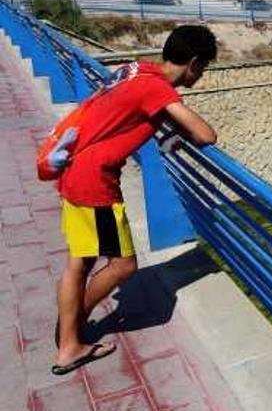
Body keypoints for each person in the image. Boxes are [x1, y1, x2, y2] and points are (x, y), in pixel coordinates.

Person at [50, 25, 219, 375]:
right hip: (96, 185)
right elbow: (205, 135)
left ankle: (67, 333)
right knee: (123, 266)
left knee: (79, 263)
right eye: (203, 69)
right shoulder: (156, 88)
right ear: (193, 62)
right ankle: (71, 333)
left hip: (74, 168)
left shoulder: (138, 69)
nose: (201, 75)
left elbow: (131, 114)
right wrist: (178, 127)